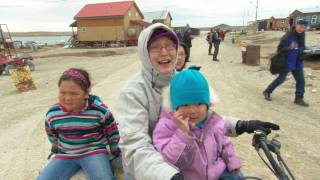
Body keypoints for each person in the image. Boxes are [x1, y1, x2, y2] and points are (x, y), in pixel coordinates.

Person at [116, 23, 279, 180]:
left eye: (170, 46)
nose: (164, 52)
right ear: (144, 53)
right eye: (156, 48)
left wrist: (241, 124)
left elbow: (205, 118)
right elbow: (134, 147)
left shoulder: (182, 79)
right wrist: (165, 174)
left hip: (184, 165)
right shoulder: (133, 92)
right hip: (152, 170)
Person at [153, 68, 244, 180]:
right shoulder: (167, 125)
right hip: (188, 177)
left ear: (208, 103)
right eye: (185, 104)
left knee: (238, 176)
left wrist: (232, 162)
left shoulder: (212, 121)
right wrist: (183, 133)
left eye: (199, 103)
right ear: (175, 106)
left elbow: (224, 144)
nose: (193, 110)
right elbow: (170, 161)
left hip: (216, 173)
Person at [37, 68, 120, 180]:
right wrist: (56, 148)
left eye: (74, 93)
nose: (67, 98)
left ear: (86, 93)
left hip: (93, 151)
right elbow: (52, 134)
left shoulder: (99, 112)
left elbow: (112, 131)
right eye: (62, 92)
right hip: (65, 154)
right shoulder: (53, 114)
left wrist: (114, 149)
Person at [263, 19, 309, 107]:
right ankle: (267, 91)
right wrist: (289, 48)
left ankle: (299, 98)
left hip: (298, 62)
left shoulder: (302, 35)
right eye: (299, 26)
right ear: (296, 25)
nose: (301, 29)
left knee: (301, 80)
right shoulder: (288, 36)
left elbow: (301, 47)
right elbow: (279, 49)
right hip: (287, 61)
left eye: (303, 27)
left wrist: (307, 49)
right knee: (281, 79)